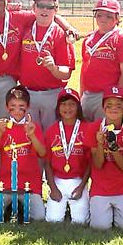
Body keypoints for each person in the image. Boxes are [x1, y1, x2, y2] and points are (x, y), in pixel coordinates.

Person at [0, 0, 77, 204]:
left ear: (9, 0)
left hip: (9, 84)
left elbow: (49, 14)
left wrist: (67, 27)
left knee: (5, 133)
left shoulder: (19, 18)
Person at [0, 85, 46, 222]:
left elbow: (42, 153)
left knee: (40, 217)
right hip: (5, 183)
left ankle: (19, 208)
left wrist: (32, 135)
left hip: (28, 184)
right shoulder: (2, 127)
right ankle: (10, 208)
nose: (17, 110)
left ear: (28, 107)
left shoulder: (33, 127)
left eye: (21, 106)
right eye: (13, 106)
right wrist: (0, 132)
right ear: (7, 107)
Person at [84, 86, 123, 230]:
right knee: (100, 227)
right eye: (109, 105)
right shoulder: (94, 128)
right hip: (101, 188)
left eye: (118, 105)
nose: (113, 109)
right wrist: (100, 144)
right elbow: (98, 164)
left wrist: (114, 148)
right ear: (103, 108)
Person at [19, 0, 75, 132]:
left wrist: (54, 68)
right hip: (28, 93)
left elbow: (66, 72)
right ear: (34, 8)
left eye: (49, 6)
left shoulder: (60, 34)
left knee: (51, 137)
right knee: (30, 138)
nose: (44, 10)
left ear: (55, 10)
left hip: (51, 94)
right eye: (40, 5)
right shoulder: (26, 26)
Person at [80, 0, 123, 122]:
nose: (103, 19)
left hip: (108, 96)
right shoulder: (89, 38)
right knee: (87, 133)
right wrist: (81, 94)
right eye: (99, 15)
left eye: (108, 16)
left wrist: (116, 100)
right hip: (88, 94)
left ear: (117, 18)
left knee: (105, 134)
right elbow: (84, 70)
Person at [44, 88, 90, 224]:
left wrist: (82, 187)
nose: (67, 108)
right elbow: (47, 163)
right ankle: (65, 204)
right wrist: (53, 188)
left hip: (78, 180)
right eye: (63, 104)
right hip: (58, 180)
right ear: (58, 108)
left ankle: (73, 206)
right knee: (53, 220)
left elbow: (90, 163)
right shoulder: (52, 130)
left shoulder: (86, 128)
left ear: (78, 107)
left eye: (72, 104)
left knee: (80, 221)